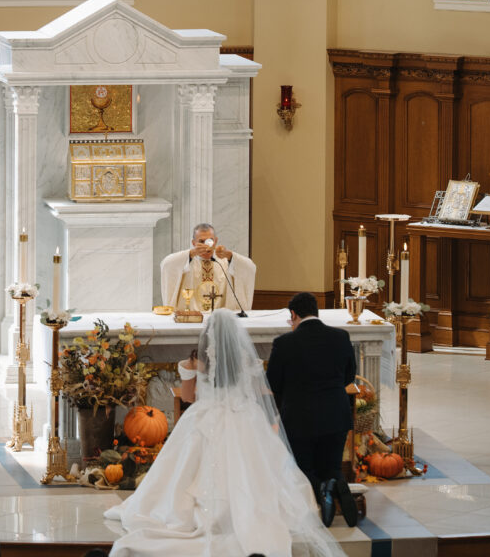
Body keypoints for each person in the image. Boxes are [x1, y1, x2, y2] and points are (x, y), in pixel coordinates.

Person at [105, 308, 346, 557]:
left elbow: (187, 397)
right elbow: (255, 393)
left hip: (206, 417)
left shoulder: (196, 360)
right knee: (258, 470)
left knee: (184, 471)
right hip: (244, 416)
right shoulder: (246, 360)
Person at [266, 292, 358, 529]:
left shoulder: (284, 343)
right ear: (316, 312)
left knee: (304, 468)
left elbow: (273, 383)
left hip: (299, 418)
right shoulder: (341, 336)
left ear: (293, 314)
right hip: (336, 415)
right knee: (332, 465)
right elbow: (349, 376)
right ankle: (336, 484)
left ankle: (323, 490)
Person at [160, 222, 256, 313]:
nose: (206, 245)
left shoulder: (224, 262)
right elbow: (166, 264)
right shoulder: (187, 261)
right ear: (193, 243)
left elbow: (250, 268)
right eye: (201, 241)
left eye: (210, 240)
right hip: (193, 316)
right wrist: (191, 253)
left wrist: (230, 256)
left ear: (215, 241)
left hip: (220, 316)